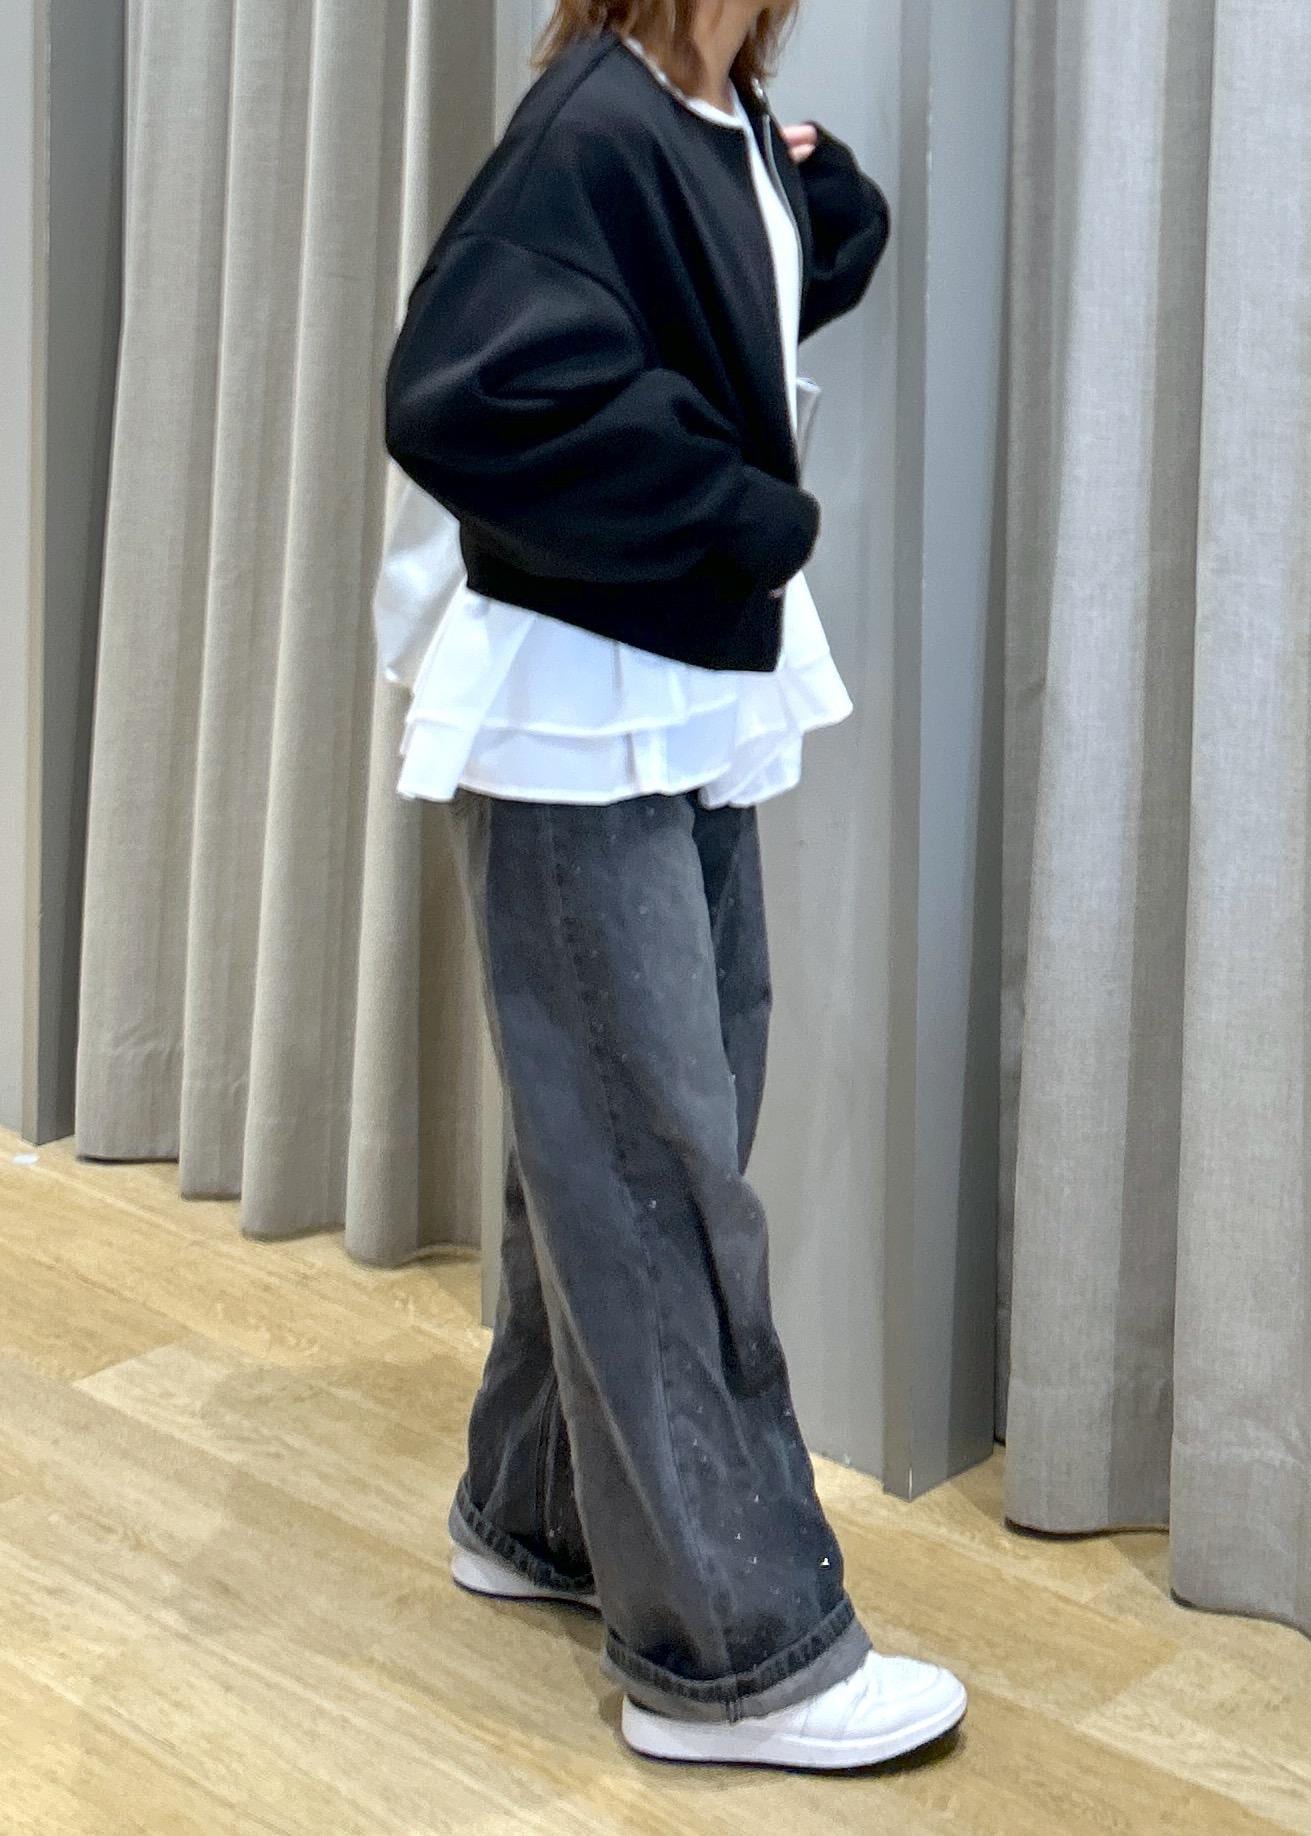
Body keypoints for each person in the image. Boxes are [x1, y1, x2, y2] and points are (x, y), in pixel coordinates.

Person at [384, 0, 967, 1772]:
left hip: (670, 706)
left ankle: (538, 1510)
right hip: (577, 720)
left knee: (616, 1148)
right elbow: (461, 391)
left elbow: (757, 284)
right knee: (653, 1175)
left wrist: (810, 191)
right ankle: (734, 1653)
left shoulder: (708, 116)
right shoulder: (597, 122)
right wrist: (738, 511)